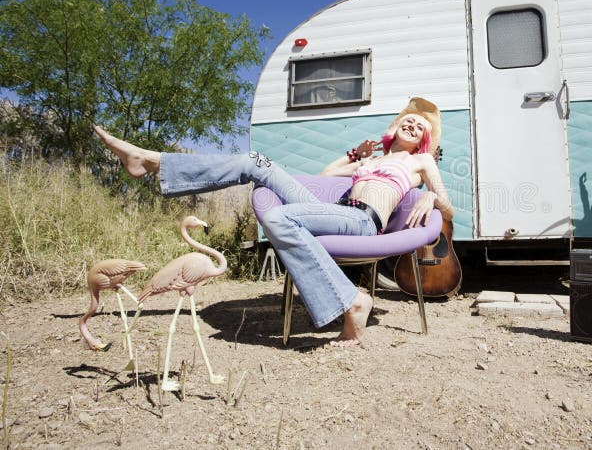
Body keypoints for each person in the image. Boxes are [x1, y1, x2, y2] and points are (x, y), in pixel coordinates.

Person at [93, 97, 454, 347]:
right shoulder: (369, 162)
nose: (412, 123)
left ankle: (352, 302)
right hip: (334, 211)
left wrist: (428, 196)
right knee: (255, 161)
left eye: (420, 126)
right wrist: (354, 158)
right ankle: (153, 162)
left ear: (424, 140)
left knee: (279, 218)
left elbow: (448, 208)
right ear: (395, 126)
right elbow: (325, 177)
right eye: (408, 119)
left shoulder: (419, 164)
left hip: (362, 220)